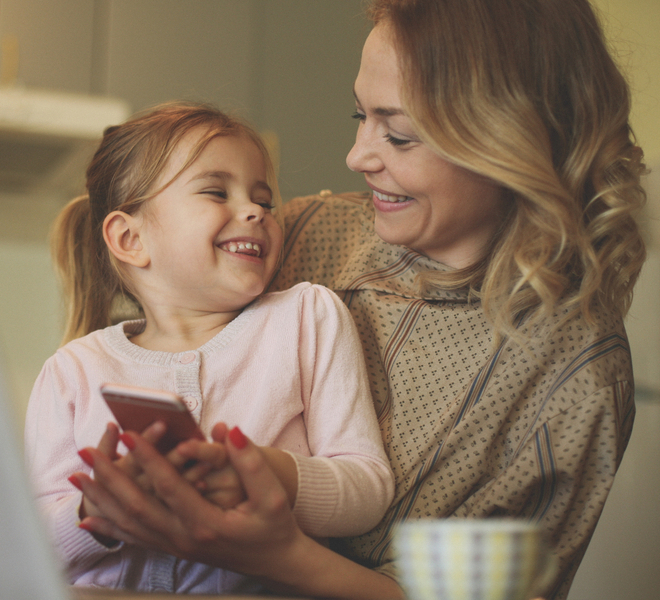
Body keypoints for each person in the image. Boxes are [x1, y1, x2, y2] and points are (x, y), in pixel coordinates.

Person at [70, 1, 647, 599]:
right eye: (360, 115)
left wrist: (282, 556)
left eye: (398, 134)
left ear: (513, 137)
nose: (357, 156)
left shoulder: (578, 379)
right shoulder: (307, 233)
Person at [25, 101, 394, 594]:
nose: (255, 211)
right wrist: (96, 511)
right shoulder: (73, 369)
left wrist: (274, 475)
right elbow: (31, 542)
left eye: (263, 199)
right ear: (130, 238)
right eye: (216, 192)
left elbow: (368, 489)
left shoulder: (307, 318)